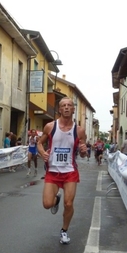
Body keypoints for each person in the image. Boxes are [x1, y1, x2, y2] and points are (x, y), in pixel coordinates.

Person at [37, 97, 87, 244]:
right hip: (52, 171)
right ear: (59, 109)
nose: (66, 107)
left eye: (69, 105)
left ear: (73, 109)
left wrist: (84, 151)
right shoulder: (50, 127)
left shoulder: (79, 131)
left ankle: (64, 231)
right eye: (63, 105)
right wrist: (42, 153)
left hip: (70, 171)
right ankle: (56, 198)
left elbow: (83, 153)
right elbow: (39, 143)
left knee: (69, 204)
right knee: (47, 204)